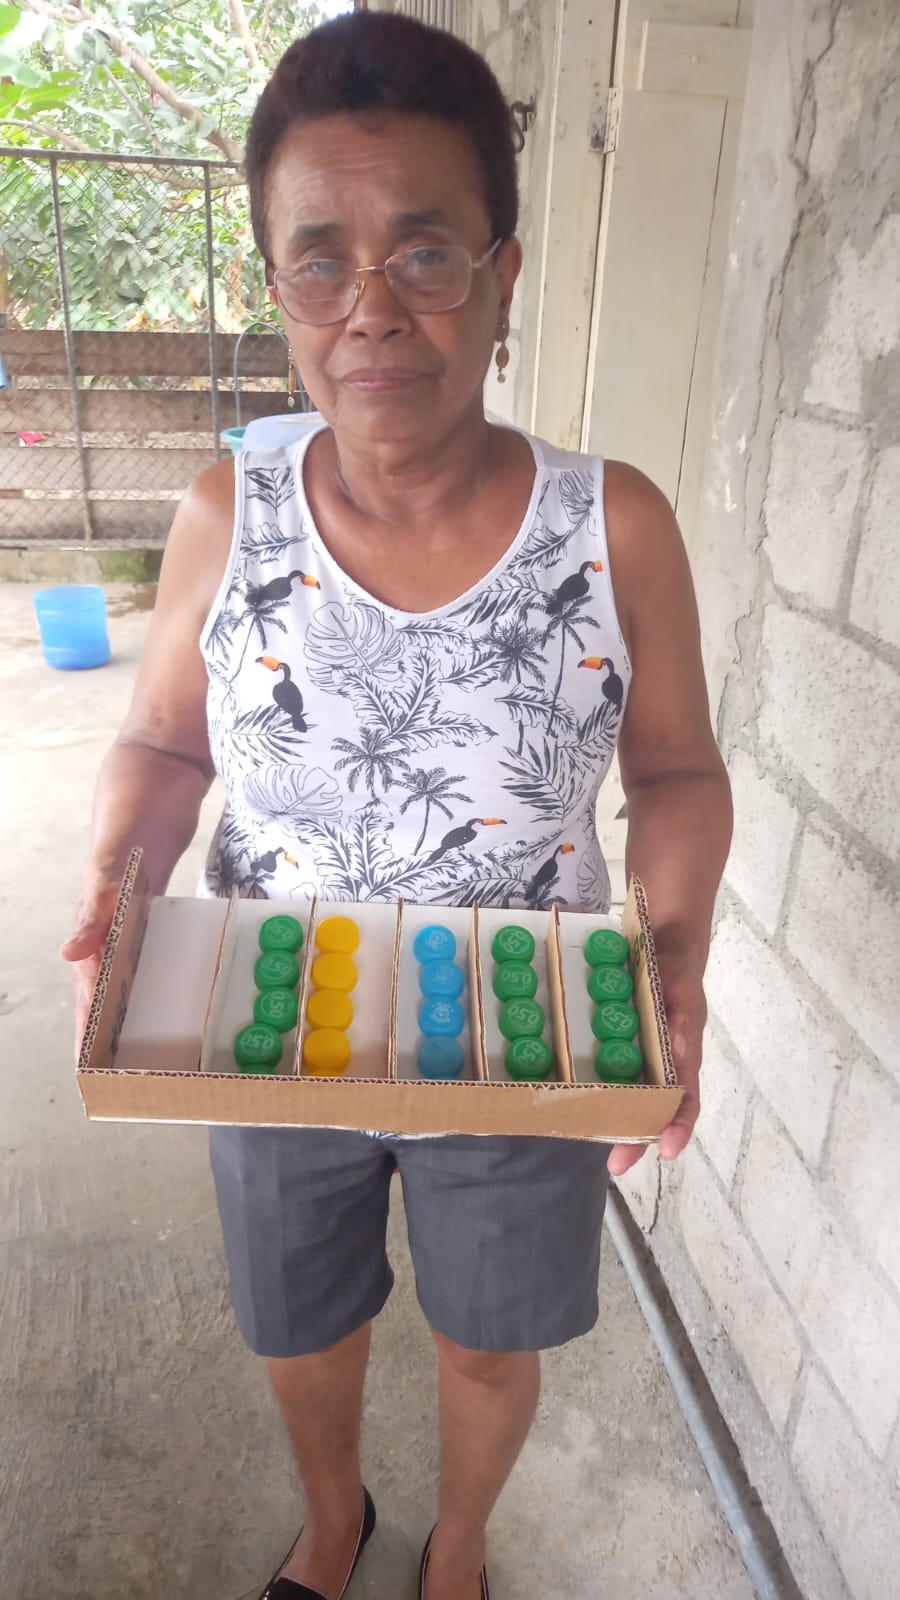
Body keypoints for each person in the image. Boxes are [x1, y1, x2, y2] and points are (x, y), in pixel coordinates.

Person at [62, 13, 732, 1600]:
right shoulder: (226, 512)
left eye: (426, 255)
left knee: (491, 1338)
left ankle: (460, 1539)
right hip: (263, 1027)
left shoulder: (612, 526)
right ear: (277, 285)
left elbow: (678, 770)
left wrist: (679, 958)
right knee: (304, 1329)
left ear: (502, 279)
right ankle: (333, 1520)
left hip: (525, 1040)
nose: (371, 309)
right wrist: (117, 879)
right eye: (320, 261)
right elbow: (164, 744)